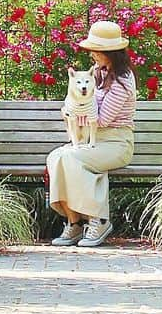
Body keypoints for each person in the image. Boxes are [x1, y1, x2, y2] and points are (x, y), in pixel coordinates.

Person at [46, 20, 137, 248]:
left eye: (97, 50)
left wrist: (75, 109)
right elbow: (78, 104)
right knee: (56, 157)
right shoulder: (96, 73)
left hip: (116, 143)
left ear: (111, 52)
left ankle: (99, 220)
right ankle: (74, 222)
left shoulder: (123, 80)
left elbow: (103, 119)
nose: (93, 54)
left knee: (73, 158)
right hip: (91, 139)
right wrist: (70, 108)